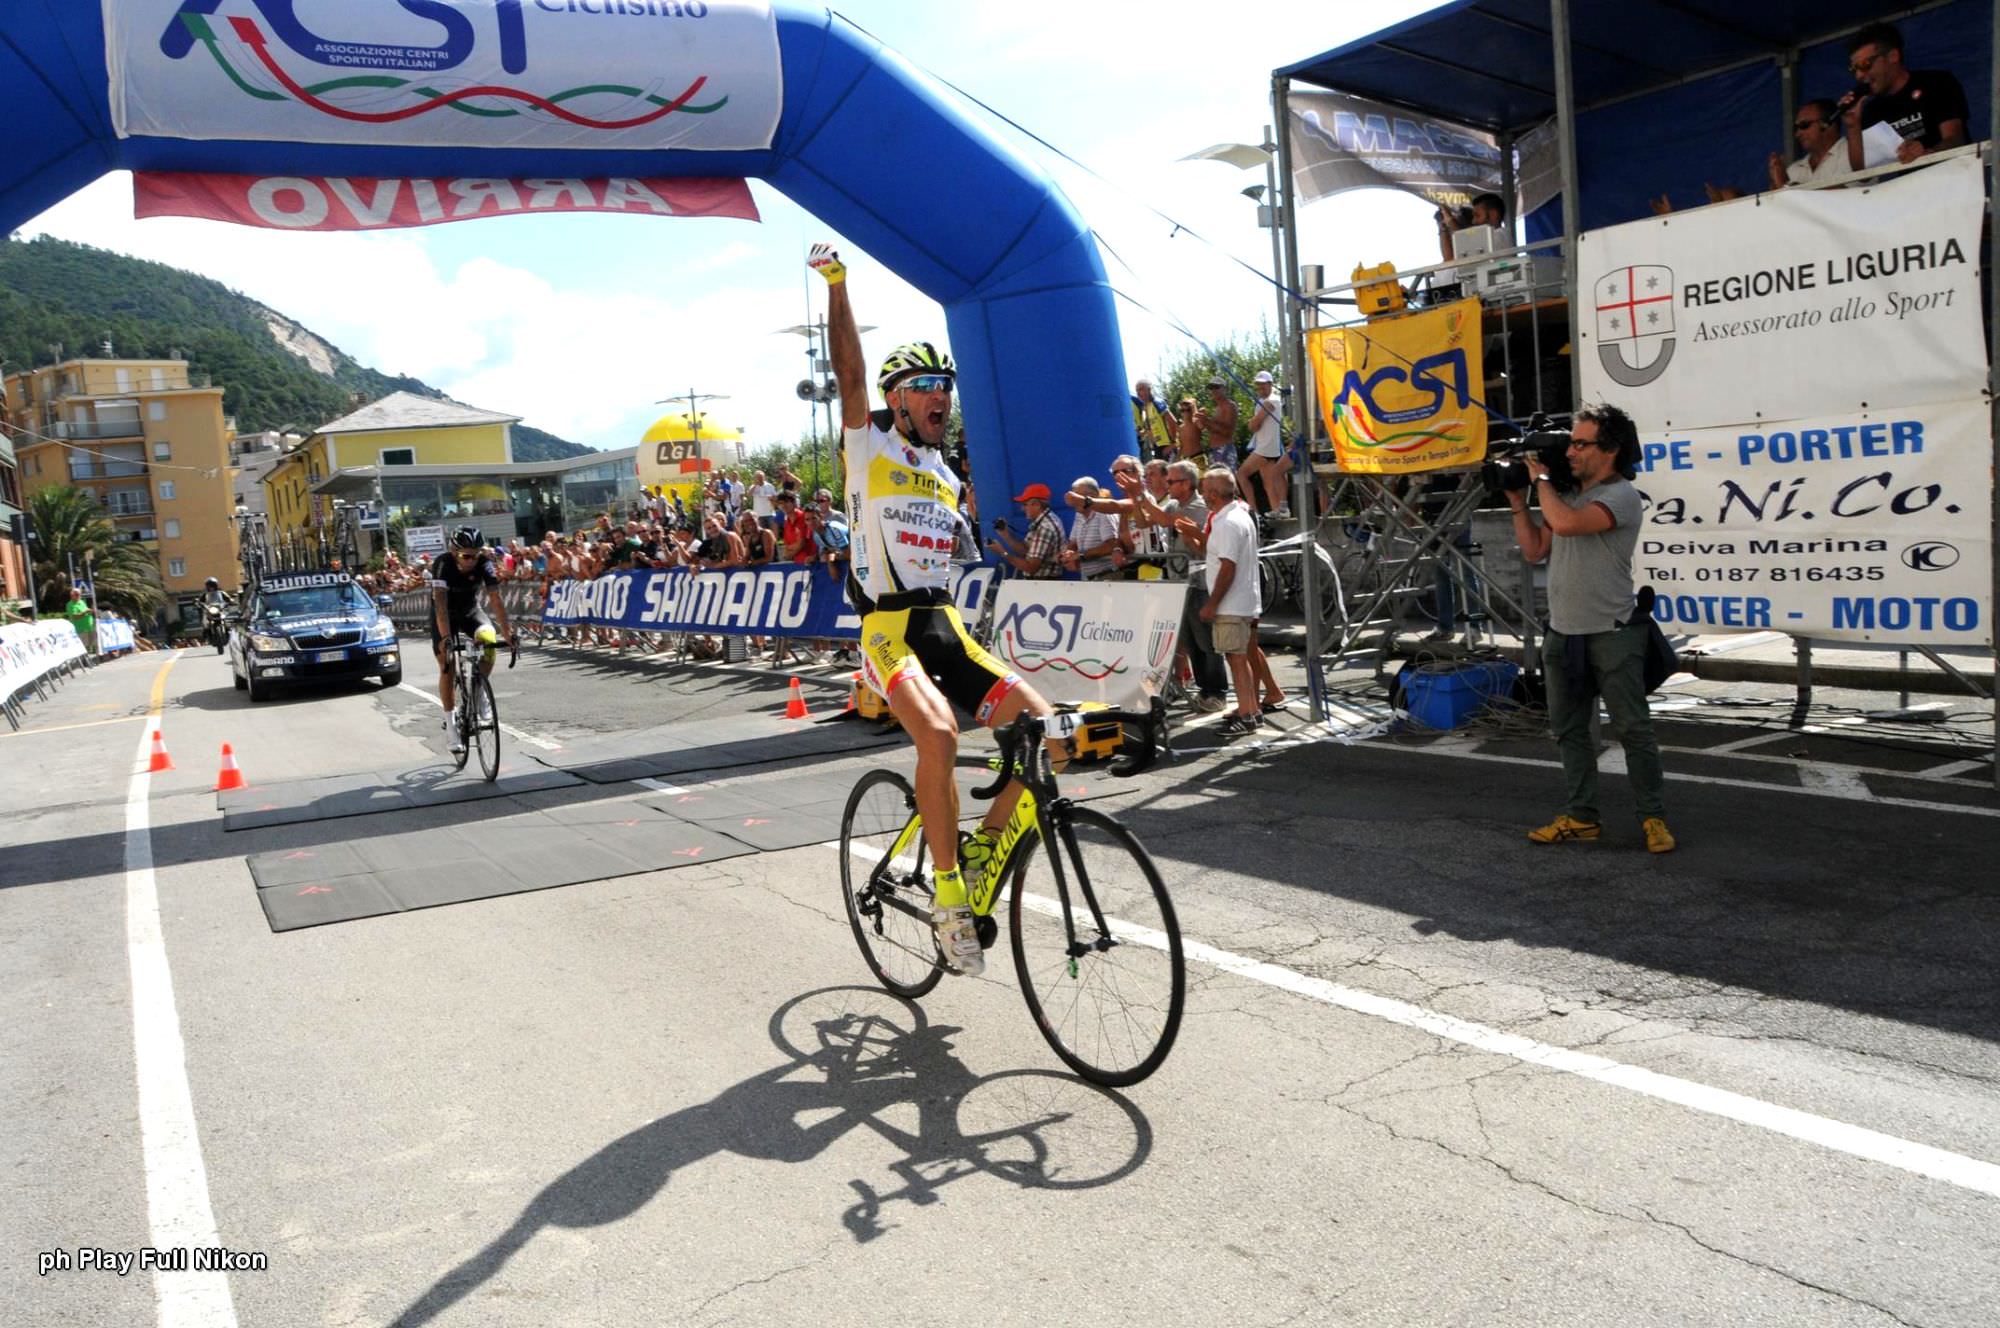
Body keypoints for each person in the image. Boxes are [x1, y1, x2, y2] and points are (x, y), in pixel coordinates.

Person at [811, 240, 1063, 978]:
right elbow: (850, 373)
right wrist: (837, 286)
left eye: (945, 387)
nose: (940, 397)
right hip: (888, 629)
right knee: (942, 735)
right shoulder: (868, 447)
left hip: (945, 623)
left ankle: (979, 854)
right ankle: (950, 895)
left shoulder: (948, 472)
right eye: (925, 386)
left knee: (1047, 732)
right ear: (897, 399)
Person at [1507, 404, 1673, 854]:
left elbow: (1566, 524)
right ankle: (1582, 818)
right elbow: (1535, 549)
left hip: (1613, 632)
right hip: (1562, 632)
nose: (1570, 451)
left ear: (1612, 450)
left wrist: (1542, 480)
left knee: (1633, 729)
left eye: (1580, 443)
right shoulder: (1566, 493)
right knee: (1569, 730)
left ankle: (1653, 818)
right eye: (1571, 442)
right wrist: (1520, 502)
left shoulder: (1620, 496)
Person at [1183, 468, 1264, 736]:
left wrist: (1212, 603)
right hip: (1241, 600)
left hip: (1231, 603)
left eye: (1205, 490)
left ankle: (1247, 715)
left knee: (1237, 660)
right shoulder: (1238, 515)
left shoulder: (1227, 522)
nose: (1203, 495)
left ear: (1214, 494)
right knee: (1238, 658)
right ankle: (1251, 711)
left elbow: (1228, 566)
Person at [430, 526, 515, 756]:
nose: (471, 560)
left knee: (488, 638)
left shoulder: (484, 563)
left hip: (469, 611)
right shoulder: (443, 564)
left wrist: (507, 632)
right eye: (466, 556)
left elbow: (495, 599)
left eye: (475, 555)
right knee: (447, 667)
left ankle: (478, 690)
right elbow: (439, 604)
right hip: (445, 616)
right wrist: (446, 638)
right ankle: (451, 726)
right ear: (454, 551)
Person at [1840, 22, 1969, 171]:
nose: (1859, 75)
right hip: (1909, 190)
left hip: (1955, 180)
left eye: (1864, 65)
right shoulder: (1872, 109)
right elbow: (1862, 173)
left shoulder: (1937, 82)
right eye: (1854, 69)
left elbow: (1955, 139)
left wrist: (1928, 153)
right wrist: (1852, 126)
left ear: (1893, 56)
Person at [1235, 370, 1288, 519]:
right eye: (1258, 385)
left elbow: (1254, 425)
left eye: (1263, 384)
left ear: (1270, 384)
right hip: (1266, 446)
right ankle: (1278, 510)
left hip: (1265, 448)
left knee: (1242, 474)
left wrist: (1252, 422)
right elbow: (1256, 423)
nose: (1260, 388)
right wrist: (1254, 422)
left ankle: (1253, 511)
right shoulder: (1267, 401)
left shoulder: (1270, 401)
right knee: (1268, 483)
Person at [1767, 99, 1852, 190]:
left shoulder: (1852, 153)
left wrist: (1786, 186)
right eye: (1796, 128)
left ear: (1828, 123)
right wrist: (1775, 184)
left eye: (1804, 125)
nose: (1798, 134)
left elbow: (1846, 194)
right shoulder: (1793, 170)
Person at [987, 482, 1065, 578]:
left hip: (1042, 584)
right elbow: (1025, 551)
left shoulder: (1044, 527)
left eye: (1025, 504)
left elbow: (1031, 568)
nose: (1022, 509)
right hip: (1041, 584)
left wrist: (1002, 553)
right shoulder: (1046, 520)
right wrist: (1005, 534)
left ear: (1037, 505)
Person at [1061, 476, 1124, 580]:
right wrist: (1069, 554)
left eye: (1076, 497)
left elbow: (1111, 545)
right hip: (1088, 578)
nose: (1072, 501)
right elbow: (1073, 544)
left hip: (1108, 578)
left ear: (1091, 496)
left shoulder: (1104, 513)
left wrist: (1079, 555)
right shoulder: (1079, 515)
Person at [1436, 191, 1507, 265]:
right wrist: (1443, 226)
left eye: (1477, 216)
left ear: (1493, 215)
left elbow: (1467, 244)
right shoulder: (1484, 238)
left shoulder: (1499, 235)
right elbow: (1449, 258)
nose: (1473, 221)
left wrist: (1450, 220)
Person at [1130, 379, 1176, 460]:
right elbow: (1151, 428)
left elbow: (1172, 421)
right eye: (1137, 391)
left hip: (1167, 445)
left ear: (1149, 389)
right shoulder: (1147, 407)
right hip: (1157, 447)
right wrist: (1140, 433)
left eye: (1141, 389)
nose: (1138, 393)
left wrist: (1173, 444)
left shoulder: (1157, 402)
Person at [1201, 376, 1239, 472]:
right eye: (1211, 388)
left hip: (1225, 449)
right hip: (1214, 450)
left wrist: (1207, 421)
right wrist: (1203, 422)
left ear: (1225, 389)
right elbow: (1215, 430)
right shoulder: (1217, 408)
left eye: (1216, 387)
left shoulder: (1230, 406)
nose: (1213, 390)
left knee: (1226, 483)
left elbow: (1227, 432)